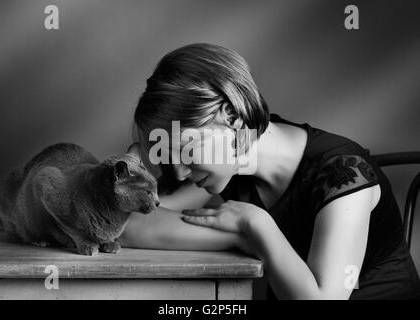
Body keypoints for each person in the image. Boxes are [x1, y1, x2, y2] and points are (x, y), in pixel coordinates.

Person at [119, 43, 420, 299]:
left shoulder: (344, 172)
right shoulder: (231, 159)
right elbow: (129, 222)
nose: (181, 174)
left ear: (232, 116)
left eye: (187, 151)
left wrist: (257, 224)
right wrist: (242, 235)